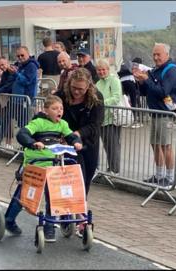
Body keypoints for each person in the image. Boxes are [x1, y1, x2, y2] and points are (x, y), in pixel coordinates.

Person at [4, 95, 83, 243]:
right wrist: (33, 143)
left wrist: (76, 142)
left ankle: (49, 226)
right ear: (46, 110)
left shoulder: (62, 124)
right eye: (54, 108)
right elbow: (22, 134)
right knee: (23, 196)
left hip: (53, 166)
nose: (58, 111)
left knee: (53, 196)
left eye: (61, 108)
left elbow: (71, 136)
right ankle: (9, 220)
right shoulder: (38, 122)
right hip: (35, 165)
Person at [55, 67, 104, 237]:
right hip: (67, 144)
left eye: (81, 89)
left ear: (88, 87)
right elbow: (52, 115)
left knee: (86, 179)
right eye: (74, 88)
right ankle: (78, 217)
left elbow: (95, 123)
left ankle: (78, 210)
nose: (77, 92)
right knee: (74, 179)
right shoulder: (61, 95)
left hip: (88, 142)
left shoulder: (96, 98)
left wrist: (78, 134)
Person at [133, 43, 176, 187]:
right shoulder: (155, 70)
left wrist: (146, 80)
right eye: (154, 54)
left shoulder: (171, 70)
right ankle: (159, 175)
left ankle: (171, 178)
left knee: (166, 145)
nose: (155, 57)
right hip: (155, 112)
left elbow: (163, 91)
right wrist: (141, 82)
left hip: (165, 113)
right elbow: (147, 92)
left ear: (167, 54)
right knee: (155, 144)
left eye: (159, 54)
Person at [95, 59, 123, 175]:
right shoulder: (98, 83)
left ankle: (114, 170)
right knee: (107, 145)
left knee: (113, 145)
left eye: (103, 69)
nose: (101, 72)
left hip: (112, 117)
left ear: (108, 69)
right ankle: (111, 167)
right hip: (102, 118)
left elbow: (116, 98)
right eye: (99, 70)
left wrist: (101, 103)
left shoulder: (114, 80)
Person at [10, 46, 40, 128]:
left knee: (26, 124)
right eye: (18, 56)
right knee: (21, 124)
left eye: (22, 55)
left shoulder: (31, 66)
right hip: (18, 100)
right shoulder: (20, 65)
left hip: (26, 100)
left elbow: (27, 81)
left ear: (28, 54)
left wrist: (16, 73)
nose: (20, 57)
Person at [117, 62, 141, 128]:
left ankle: (126, 119)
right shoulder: (132, 70)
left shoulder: (122, 71)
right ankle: (135, 120)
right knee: (133, 102)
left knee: (125, 102)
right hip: (130, 83)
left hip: (122, 83)